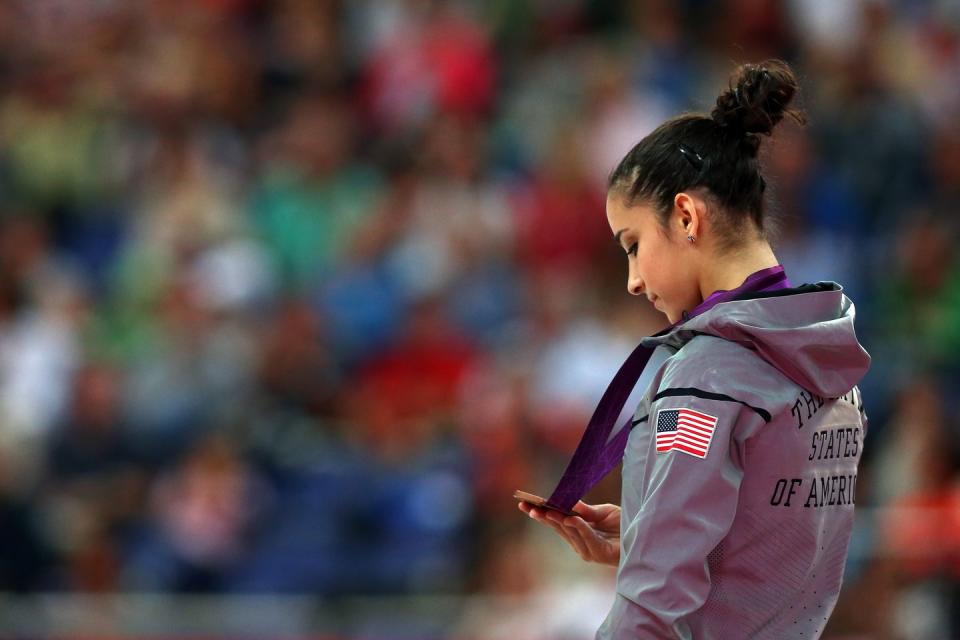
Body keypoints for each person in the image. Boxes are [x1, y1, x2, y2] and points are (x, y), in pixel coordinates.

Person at [518, 59, 872, 639]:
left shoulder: (710, 371)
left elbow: (651, 610)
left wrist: (653, 554)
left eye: (632, 245)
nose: (631, 280)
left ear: (685, 216)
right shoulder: (829, 361)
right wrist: (645, 534)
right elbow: (774, 550)